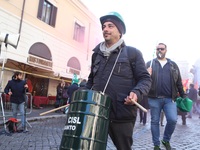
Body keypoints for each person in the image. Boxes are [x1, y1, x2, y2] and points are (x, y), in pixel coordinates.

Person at [85, 12, 152, 150]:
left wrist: (137, 92)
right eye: (104, 26)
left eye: (110, 26)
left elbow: (145, 79)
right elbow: (91, 81)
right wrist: (81, 94)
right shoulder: (96, 54)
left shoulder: (133, 53)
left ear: (120, 32)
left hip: (121, 112)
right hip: (96, 111)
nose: (105, 29)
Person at [146, 43, 187, 150]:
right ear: (156, 50)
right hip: (154, 98)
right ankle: (156, 145)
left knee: (173, 120)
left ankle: (166, 140)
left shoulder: (173, 65)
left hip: (170, 99)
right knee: (155, 121)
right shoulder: (149, 64)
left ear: (166, 50)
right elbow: (142, 80)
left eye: (162, 49)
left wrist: (183, 95)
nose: (160, 50)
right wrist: (146, 74)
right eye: (158, 49)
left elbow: (178, 82)